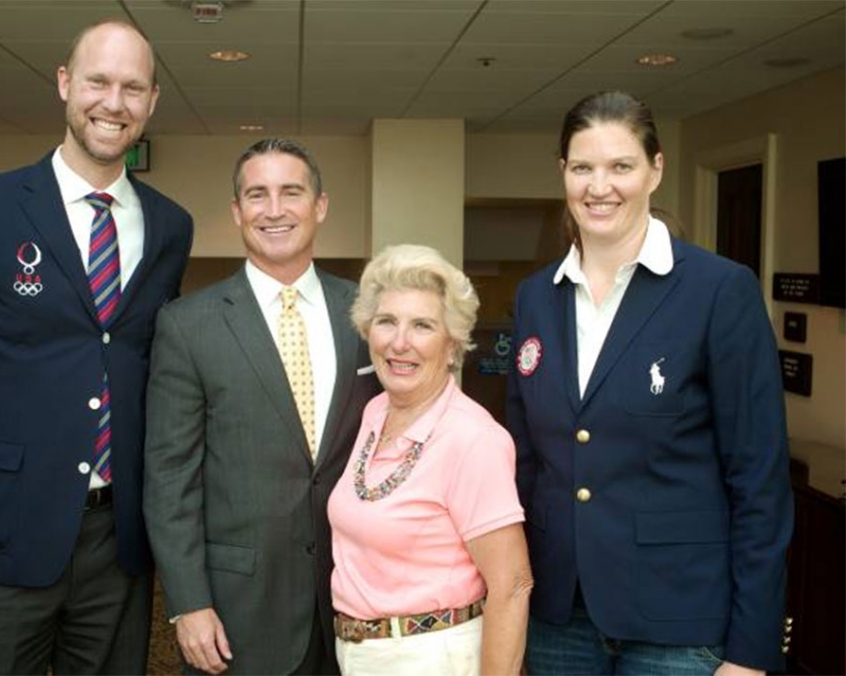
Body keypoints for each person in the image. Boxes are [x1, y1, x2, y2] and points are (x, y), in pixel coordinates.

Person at [0, 19, 193, 674]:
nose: (113, 103)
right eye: (98, 81)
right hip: (0, 535)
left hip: (118, 545)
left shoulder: (172, 226)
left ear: (151, 102)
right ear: (64, 84)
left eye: (132, 87)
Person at [506, 90, 793, 676]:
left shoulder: (719, 291)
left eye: (621, 166)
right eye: (583, 167)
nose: (599, 186)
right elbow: (525, 463)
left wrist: (752, 650)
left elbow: (759, 481)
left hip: (680, 625)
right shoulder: (535, 297)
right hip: (559, 619)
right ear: (563, 173)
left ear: (655, 169)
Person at [143, 138, 381, 675]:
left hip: (356, 603)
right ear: (237, 212)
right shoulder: (187, 325)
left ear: (320, 206)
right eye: (257, 195)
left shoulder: (367, 312)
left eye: (291, 192)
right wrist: (188, 603)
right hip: (238, 612)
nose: (274, 210)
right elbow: (169, 478)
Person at [328, 244, 533, 676]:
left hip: (432, 658)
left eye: (422, 325)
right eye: (387, 322)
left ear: (453, 343)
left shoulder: (473, 439)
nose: (399, 342)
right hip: (361, 655)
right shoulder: (376, 411)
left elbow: (512, 585)